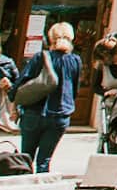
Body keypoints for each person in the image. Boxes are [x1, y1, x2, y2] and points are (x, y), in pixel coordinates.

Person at [16, 24, 82, 173]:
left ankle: (20, 188)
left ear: (50, 38)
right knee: (44, 161)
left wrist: (13, 98)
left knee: (25, 157)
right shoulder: (75, 60)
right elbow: (75, 89)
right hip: (60, 113)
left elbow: (22, 81)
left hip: (35, 111)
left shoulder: (41, 57)